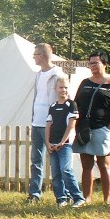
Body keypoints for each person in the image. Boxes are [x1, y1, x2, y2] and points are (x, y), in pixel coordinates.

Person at [72, 50, 110, 205]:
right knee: (86, 165)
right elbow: (76, 104)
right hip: (84, 129)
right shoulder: (85, 82)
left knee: (104, 164)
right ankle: (86, 198)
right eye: (91, 63)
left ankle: (106, 200)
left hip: (102, 128)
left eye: (96, 63)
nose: (92, 66)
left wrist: (108, 129)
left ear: (104, 64)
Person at [28, 43, 64, 203]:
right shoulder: (38, 74)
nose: (33, 57)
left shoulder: (57, 74)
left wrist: (57, 119)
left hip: (51, 123)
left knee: (56, 160)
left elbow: (62, 97)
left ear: (42, 55)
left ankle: (61, 195)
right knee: (36, 160)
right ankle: (35, 194)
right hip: (37, 122)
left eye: (35, 54)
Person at [45, 77, 86, 208]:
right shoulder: (52, 106)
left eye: (66, 87)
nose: (63, 90)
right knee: (56, 173)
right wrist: (47, 142)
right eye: (61, 87)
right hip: (53, 144)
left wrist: (62, 142)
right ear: (56, 89)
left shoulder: (71, 105)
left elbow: (71, 125)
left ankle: (78, 197)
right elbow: (48, 125)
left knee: (66, 170)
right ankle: (61, 198)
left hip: (65, 144)